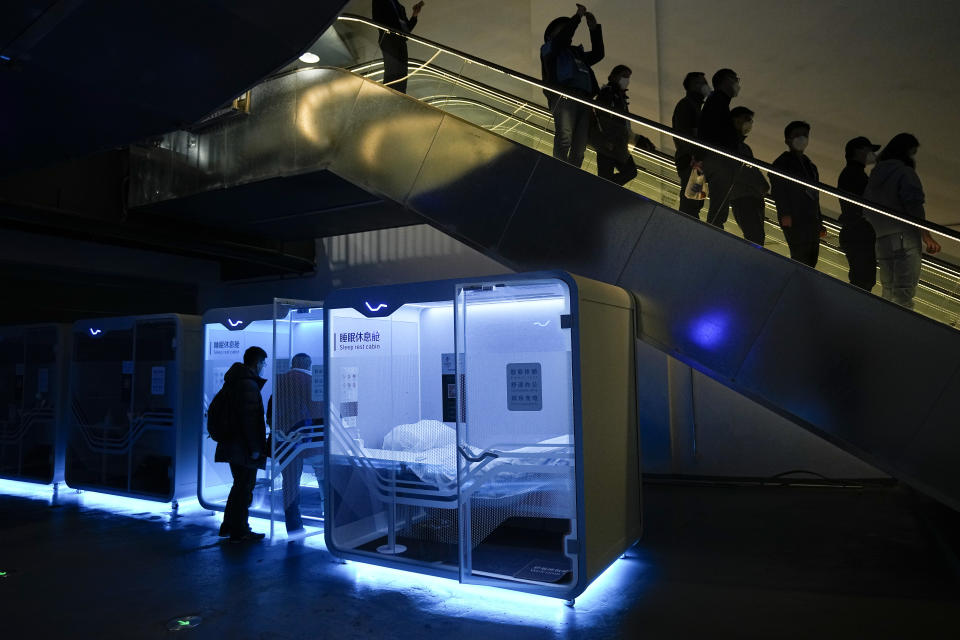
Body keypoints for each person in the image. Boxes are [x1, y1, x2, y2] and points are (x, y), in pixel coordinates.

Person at [863, 133, 941, 308]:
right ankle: (897, 330)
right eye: (912, 152)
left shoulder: (876, 174)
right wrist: (926, 236)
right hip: (904, 238)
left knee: (888, 289)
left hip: (881, 238)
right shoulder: (905, 173)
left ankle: (882, 327)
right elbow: (914, 206)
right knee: (904, 293)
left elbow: (866, 208)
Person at [215, 346, 269, 543]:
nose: (264, 367)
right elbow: (250, 420)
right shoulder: (248, 385)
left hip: (232, 443)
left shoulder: (234, 380)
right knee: (245, 487)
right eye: (263, 363)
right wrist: (255, 448)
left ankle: (228, 525)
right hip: (243, 447)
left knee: (238, 486)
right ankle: (240, 530)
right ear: (257, 363)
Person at [266, 353, 324, 535]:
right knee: (323, 478)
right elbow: (319, 412)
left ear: (293, 364)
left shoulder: (279, 382)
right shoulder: (312, 381)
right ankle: (329, 521)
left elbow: (271, 412)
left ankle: (293, 525)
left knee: (290, 483)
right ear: (309, 365)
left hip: (285, 443)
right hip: (312, 442)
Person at [541, 4, 604, 168]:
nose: (567, 32)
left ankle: (572, 175)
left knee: (580, 144)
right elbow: (561, 40)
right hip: (564, 97)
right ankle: (558, 171)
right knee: (565, 137)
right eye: (562, 29)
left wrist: (594, 29)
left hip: (584, 99)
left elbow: (598, 54)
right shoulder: (549, 50)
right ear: (551, 35)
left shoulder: (576, 53)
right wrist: (576, 18)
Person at [770, 121, 825, 267]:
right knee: (801, 259)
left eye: (805, 135)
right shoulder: (782, 163)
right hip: (795, 218)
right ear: (787, 140)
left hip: (811, 220)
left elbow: (815, 195)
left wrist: (819, 220)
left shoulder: (810, 165)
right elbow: (779, 191)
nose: (802, 139)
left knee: (811, 260)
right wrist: (785, 214)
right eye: (797, 135)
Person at [590, 65, 654, 186]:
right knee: (622, 173)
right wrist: (609, 139)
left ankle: (603, 192)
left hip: (617, 143)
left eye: (628, 77)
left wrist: (637, 139)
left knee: (620, 174)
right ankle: (602, 192)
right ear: (614, 76)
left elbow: (623, 124)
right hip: (608, 143)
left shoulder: (620, 97)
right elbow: (603, 118)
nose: (626, 80)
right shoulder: (607, 93)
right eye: (624, 76)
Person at [698, 68, 742, 228]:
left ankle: (714, 229)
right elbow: (717, 131)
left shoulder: (716, 101)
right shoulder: (718, 101)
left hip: (713, 158)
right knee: (719, 202)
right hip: (718, 159)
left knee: (717, 201)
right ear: (724, 82)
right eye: (734, 79)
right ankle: (714, 231)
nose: (737, 83)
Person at [837, 136, 881, 291]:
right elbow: (863, 205)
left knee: (862, 279)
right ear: (858, 151)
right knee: (863, 280)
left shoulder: (852, 173)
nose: (871, 154)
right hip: (858, 233)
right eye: (868, 150)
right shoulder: (854, 174)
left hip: (856, 232)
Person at [726, 106, 769, 245]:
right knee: (755, 236)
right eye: (746, 119)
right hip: (742, 196)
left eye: (750, 120)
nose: (749, 123)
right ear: (735, 120)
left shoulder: (744, 147)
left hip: (752, 196)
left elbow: (751, 169)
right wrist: (760, 184)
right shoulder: (731, 145)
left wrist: (762, 184)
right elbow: (742, 170)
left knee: (757, 235)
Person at [672, 71, 709, 218]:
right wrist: (694, 156)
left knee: (695, 199)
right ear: (694, 85)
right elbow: (683, 134)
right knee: (691, 201)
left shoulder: (695, 106)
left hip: (693, 159)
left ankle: (687, 226)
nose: (706, 86)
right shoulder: (687, 105)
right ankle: (685, 228)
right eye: (703, 82)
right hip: (691, 160)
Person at [372, 0, 425, 94]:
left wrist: (415, 14)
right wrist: (389, 30)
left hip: (401, 41)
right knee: (392, 70)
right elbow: (376, 19)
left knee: (403, 71)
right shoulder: (379, 1)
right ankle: (388, 94)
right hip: (388, 38)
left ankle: (400, 94)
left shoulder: (400, 7)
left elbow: (406, 29)